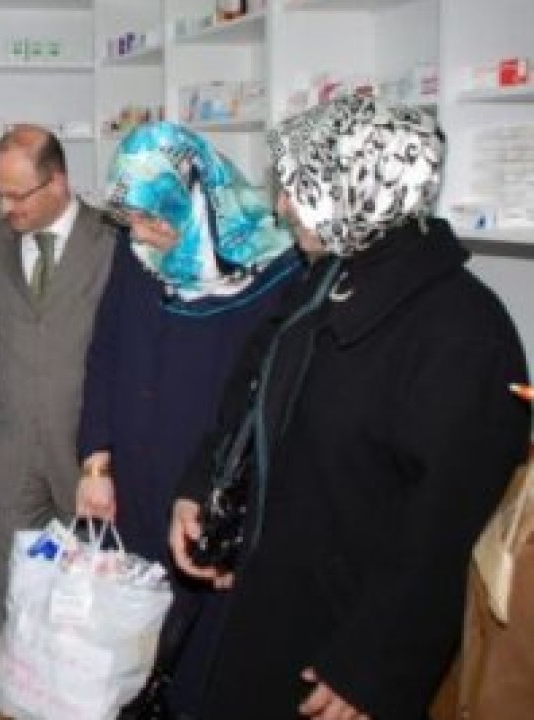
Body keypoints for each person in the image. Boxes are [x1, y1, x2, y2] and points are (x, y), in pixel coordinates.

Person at [169, 94, 532, 720]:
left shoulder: (464, 330)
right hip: (268, 604)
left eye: (298, 188)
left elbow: (446, 528)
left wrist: (375, 665)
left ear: (359, 186)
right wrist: (203, 488)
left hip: (342, 649)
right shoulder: (324, 281)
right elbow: (250, 397)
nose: (282, 208)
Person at [75, 122, 302, 717]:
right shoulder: (138, 252)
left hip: (207, 494)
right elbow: (106, 351)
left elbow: (265, 400)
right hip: (135, 481)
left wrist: (228, 498)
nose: (140, 234)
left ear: (193, 193)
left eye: (151, 219)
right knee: (132, 644)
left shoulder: (275, 269)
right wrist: (96, 461)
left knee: (199, 654)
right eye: (130, 220)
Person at [0, 123, 117, 639]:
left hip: (88, 454)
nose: (6, 208)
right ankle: (15, 676)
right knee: (16, 583)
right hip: (11, 447)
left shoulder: (112, 241)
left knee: (90, 583)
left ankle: (79, 682)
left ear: (57, 183)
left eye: (17, 195)